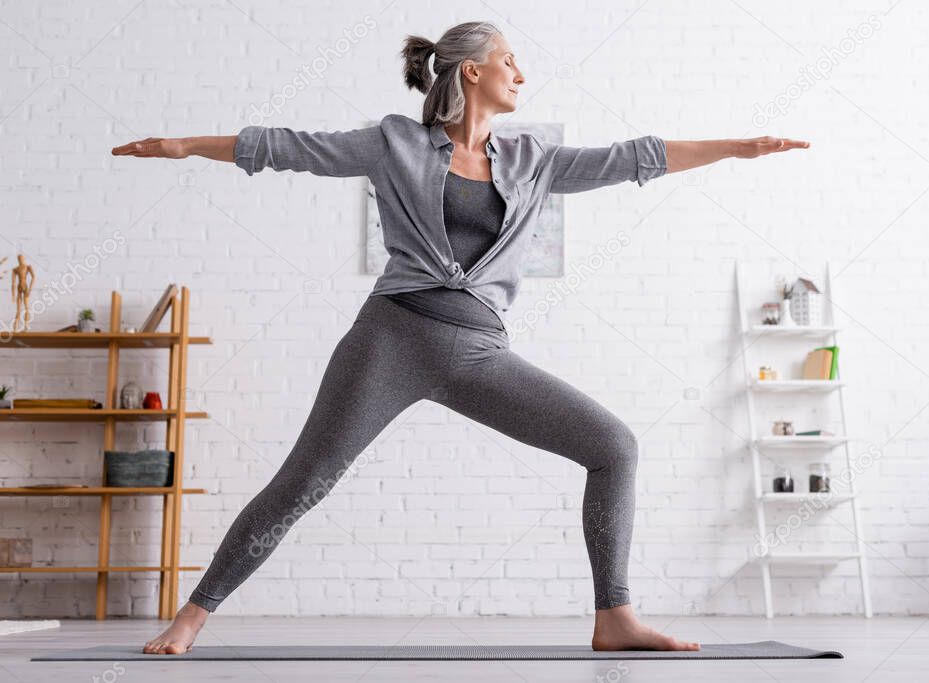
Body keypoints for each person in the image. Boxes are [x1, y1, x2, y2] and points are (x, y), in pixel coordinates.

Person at [112, 20, 809, 655]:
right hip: (389, 338)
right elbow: (289, 147)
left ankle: (614, 616)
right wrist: (183, 146)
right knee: (305, 481)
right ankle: (191, 618)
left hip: (479, 353)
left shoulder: (534, 158)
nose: (521, 74)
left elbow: (633, 157)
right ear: (471, 71)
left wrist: (736, 148)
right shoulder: (393, 142)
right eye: (510, 60)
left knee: (612, 445)